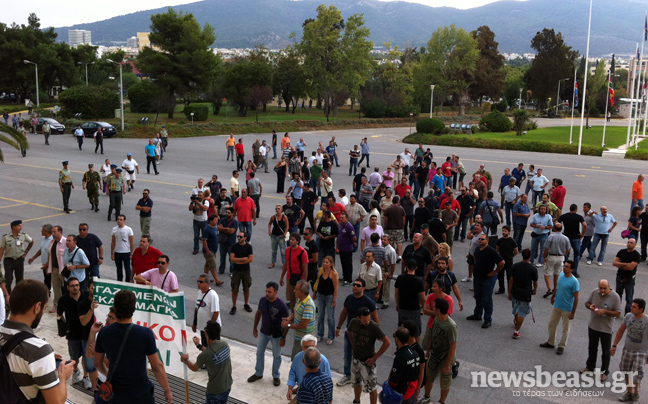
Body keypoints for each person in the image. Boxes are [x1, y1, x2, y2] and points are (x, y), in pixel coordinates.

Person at [0, 279, 75, 402]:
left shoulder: (38, 352)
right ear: (37, 306)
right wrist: (63, 376)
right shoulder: (39, 349)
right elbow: (56, 402)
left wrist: (44, 360)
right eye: (44, 308)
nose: (43, 312)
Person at [94, 290, 173, 404]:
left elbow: (97, 363)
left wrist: (109, 376)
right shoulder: (145, 333)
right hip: (141, 393)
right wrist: (167, 390)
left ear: (115, 307)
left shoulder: (104, 332)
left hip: (116, 394)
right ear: (134, 309)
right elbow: (157, 367)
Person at [347, 306, 391, 404]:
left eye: (368, 319)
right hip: (356, 359)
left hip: (368, 362)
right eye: (364, 320)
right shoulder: (353, 322)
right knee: (356, 383)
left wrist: (375, 357)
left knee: (371, 387)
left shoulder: (374, 327)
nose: (367, 322)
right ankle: (357, 401)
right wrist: (353, 345)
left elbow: (387, 342)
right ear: (358, 318)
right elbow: (349, 331)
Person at [250, 281, 289, 386]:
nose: (267, 294)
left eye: (269, 292)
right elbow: (258, 313)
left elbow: (287, 322)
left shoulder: (281, 305)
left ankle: (276, 376)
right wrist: (255, 327)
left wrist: (283, 337)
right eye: (266, 291)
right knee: (259, 352)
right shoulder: (263, 300)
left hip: (276, 335)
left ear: (275, 292)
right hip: (264, 332)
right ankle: (258, 373)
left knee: (277, 355)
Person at [580, 279, 621, 380]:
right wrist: (590, 306)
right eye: (600, 288)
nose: (602, 290)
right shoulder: (594, 292)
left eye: (604, 288)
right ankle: (590, 366)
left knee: (606, 352)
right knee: (592, 348)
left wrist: (605, 311)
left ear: (609, 287)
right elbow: (587, 303)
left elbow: (618, 313)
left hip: (606, 329)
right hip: (593, 326)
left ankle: (604, 371)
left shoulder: (615, 297)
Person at [419, 299, 457, 404]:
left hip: (445, 358)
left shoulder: (451, 326)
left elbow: (453, 346)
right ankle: (426, 396)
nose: (433, 308)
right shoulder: (436, 319)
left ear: (439, 310)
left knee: (445, 381)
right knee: (429, 376)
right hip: (434, 354)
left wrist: (448, 365)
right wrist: (429, 350)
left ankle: (441, 402)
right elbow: (433, 335)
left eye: (434, 307)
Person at [57, 277, 93, 388]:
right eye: (72, 286)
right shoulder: (63, 300)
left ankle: (86, 377)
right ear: (68, 287)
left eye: (77, 285)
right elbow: (59, 314)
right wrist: (65, 326)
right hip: (73, 333)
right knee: (75, 357)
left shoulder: (87, 295)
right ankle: (76, 371)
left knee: (87, 357)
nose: (75, 287)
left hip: (86, 332)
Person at [611, 298, 648, 403]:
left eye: (634, 307)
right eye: (632, 305)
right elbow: (621, 330)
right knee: (626, 372)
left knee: (637, 375)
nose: (631, 307)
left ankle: (636, 395)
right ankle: (629, 393)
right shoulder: (628, 316)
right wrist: (614, 345)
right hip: (628, 349)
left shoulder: (647, 320)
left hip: (641, 352)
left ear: (641, 309)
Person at [540, 260, 579, 355]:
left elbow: (576, 298)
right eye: (564, 266)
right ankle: (551, 342)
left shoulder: (574, 282)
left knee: (565, 328)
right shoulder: (561, 275)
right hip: (557, 305)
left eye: (567, 267)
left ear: (572, 269)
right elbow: (557, 288)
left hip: (567, 308)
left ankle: (561, 346)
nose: (564, 268)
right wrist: (553, 296)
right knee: (552, 324)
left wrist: (573, 312)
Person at [466, 234, 504, 329]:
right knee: (478, 297)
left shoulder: (492, 251)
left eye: (482, 239)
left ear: (487, 240)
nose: (480, 240)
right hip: (477, 278)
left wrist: (495, 272)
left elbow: (502, 262)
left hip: (487, 279)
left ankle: (488, 319)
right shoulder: (478, 249)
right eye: (479, 239)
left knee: (487, 299)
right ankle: (477, 315)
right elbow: (475, 258)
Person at [282, 280, 316, 360]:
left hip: (304, 340)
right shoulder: (299, 299)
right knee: (295, 360)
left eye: (296, 289)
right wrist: (289, 318)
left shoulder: (308, 305)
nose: (294, 291)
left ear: (303, 291)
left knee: (300, 362)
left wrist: (288, 325)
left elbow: (304, 325)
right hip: (298, 338)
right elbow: (296, 312)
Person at [508, 249, 538, 339]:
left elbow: (511, 280)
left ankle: (516, 320)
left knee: (515, 307)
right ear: (529, 257)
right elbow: (535, 282)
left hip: (516, 291)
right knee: (523, 312)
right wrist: (535, 290)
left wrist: (509, 291)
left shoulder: (515, 266)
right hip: (526, 293)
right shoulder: (533, 269)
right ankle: (517, 331)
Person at [0, 219, 34, 294]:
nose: (21, 227)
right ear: (13, 227)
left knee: (20, 280)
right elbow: (2, 249)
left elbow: (31, 242)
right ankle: (8, 297)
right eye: (19, 226)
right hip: (9, 261)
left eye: (21, 225)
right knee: (8, 280)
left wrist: (26, 252)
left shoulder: (23, 235)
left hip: (19, 260)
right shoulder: (5, 237)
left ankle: (18, 296)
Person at [394, 259, 426, 340]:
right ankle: (415, 347)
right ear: (416, 268)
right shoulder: (419, 281)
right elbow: (423, 297)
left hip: (403, 306)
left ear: (406, 267)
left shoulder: (400, 278)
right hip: (414, 308)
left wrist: (397, 304)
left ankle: (401, 345)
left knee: (402, 328)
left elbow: (396, 293)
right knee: (416, 330)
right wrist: (423, 306)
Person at [387, 327, 419, 404]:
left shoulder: (400, 357)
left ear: (397, 339)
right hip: (412, 393)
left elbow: (393, 381)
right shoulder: (415, 353)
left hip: (402, 396)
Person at [542, 222, 571, 298]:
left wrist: (544, 257)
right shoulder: (565, 238)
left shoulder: (551, 237)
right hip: (561, 257)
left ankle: (549, 289)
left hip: (551, 256)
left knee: (547, 273)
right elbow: (568, 249)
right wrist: (564, 254)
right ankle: (555, 288)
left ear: (554, 228)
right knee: (557, 273)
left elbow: (546, 248)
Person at [280, 233, 309, 309]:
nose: (290, 241)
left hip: (300, 279)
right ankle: (293, 315)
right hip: (290, 277)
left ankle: (299, 316)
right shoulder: (287, 250)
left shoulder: (303, 252)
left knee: (300, 299)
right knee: (291, 298)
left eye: (293, 239)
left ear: (297, 241)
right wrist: (282, 276)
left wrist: (304, 282)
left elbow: (305, 268)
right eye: (290, 239)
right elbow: (286, 264)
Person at [193, 273, 221, 348]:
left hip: (211, 330)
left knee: (213, 349)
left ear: (207, 283)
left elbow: (216, 312)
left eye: (201, 282)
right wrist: (194, 323)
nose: (198, 283)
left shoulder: (213, 295)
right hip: (203, 328)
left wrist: (210, 328)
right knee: (205, 348)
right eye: (198, 281)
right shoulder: (199, 293)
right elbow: (196, 309)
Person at [614, 238, 641, 315]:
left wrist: (620, 264)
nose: (629, 244)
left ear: (635, 245)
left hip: (629, 279)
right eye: (628, 242)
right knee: (618, 297)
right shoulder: (621, 252)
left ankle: (627, 315)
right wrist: (625, 264)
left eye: (631, 243)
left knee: (629, 299)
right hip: (619, 277)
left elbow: (630, 268)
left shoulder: (636, 255)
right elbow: (614, 263)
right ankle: (616, 313)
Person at [230, 230, 254, 316]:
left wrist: (239, 261)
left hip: (246, 271)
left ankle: (246, 304)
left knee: (246, 288)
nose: (239, 238)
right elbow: (232, 259)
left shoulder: (249, 247)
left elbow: (250, 259)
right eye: (238, 236)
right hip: (236, 271)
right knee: (234, 288)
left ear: (245, 238)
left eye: (240, 237)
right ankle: (234, 306)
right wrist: (244, 259)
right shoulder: (234, 246)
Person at [495, 225, 518, 294]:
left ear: (509, 232)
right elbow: (497, 249)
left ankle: (510, 290)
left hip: (509, 261)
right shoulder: (500, 240)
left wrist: (510, 256)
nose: (503, 232)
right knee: (500, 275)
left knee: (509, 276)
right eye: (503, 231)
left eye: (505, 231)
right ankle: (501, 289)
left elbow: (516, 251)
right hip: (501, 261)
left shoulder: (512, 241)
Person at [111, 215, 134, 282]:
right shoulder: (114, 229)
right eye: (118, 219)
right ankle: (119, 282)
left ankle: (127, 283)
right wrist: (112, 253)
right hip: (117, 252)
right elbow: (113, 241)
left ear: (124, 221)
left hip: (126, 252)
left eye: (121, 220)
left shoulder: (128, 229)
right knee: (119, 269)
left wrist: (131, 253)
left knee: (127, 269)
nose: (119, 221)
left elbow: (131, 242)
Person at [217, 208, 238, 275]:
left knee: (231, 258)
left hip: (231, 243)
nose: (227, 214)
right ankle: (221, 270)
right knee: (222, 257)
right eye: (226, 212)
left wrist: (223, 229)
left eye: (229, 212)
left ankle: (232, 271)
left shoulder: (235, 222)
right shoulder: (223, 220)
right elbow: (218, 228)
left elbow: (232, 231)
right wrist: (227, 229)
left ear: (232, 213)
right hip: (223, 242)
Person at [190, 191, 210, 255]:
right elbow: (190, 209)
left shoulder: (205, 201)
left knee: (204, 236)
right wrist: (192, 203)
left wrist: (198, 203)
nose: (199, 196)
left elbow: (205, 208)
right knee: (196, 235)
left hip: (204, 221)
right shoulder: (195, 202)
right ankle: (196, 248)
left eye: (200, 195)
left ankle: (204, 249)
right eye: (198, 195)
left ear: (203, 196)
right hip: (196, 220)